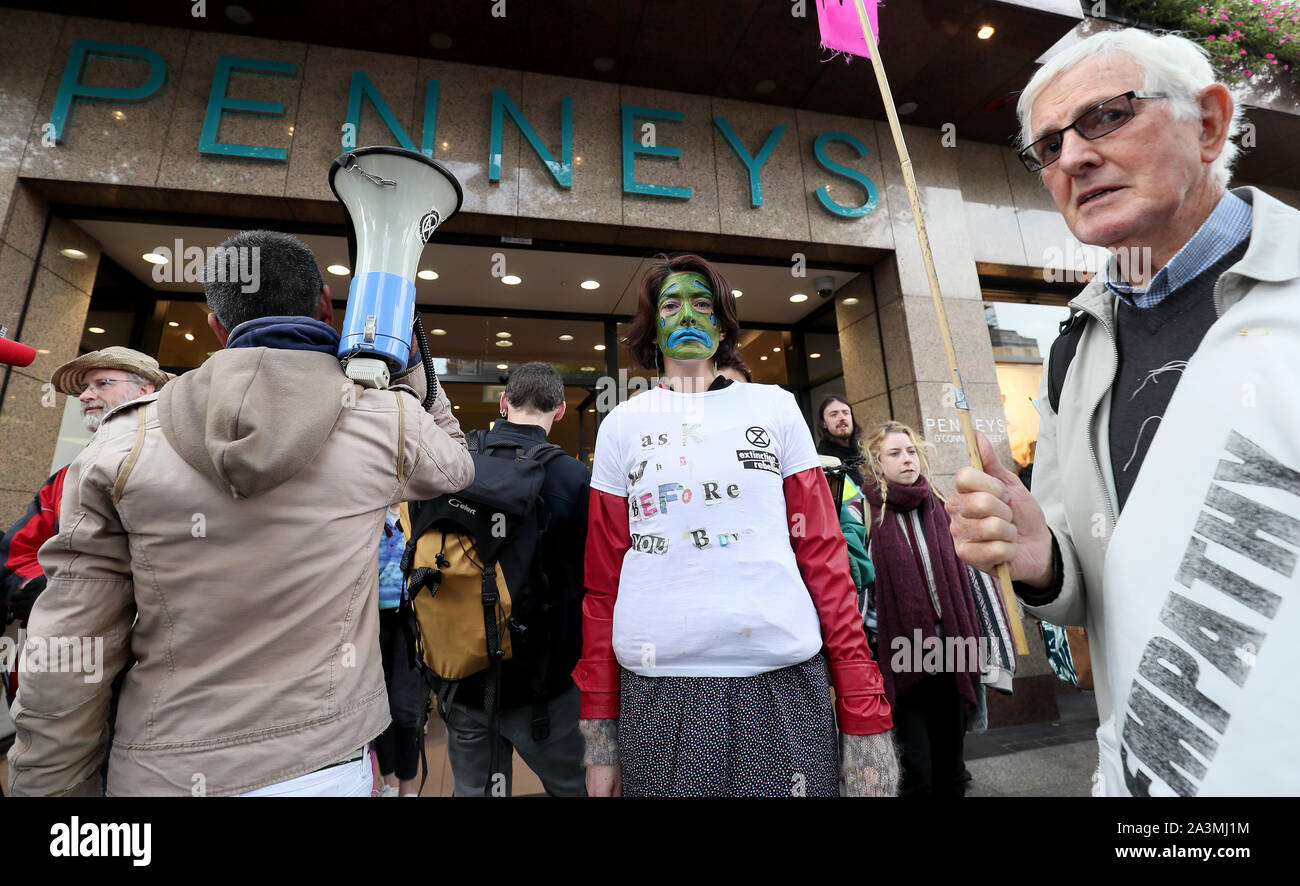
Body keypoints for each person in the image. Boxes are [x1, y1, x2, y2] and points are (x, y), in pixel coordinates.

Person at [946, 29, 1300, 796]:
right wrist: (1039, 557)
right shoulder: (1074, 349)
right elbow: (1090, 577)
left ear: (1209, 123)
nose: (1072, 157)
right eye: (1047, 145)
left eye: (1106, 116)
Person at [6, 230, 474, 796]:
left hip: (162, 771)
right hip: (325, 763)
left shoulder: (120, 443)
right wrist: (407, 367)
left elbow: (72, 642)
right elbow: (456, 469)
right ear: (326, 306)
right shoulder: (384, 418)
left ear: (216, 327)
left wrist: (52, 788)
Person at [575, 253, 898, 797]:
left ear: (722, 324)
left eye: (702, 304)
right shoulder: (621, 425)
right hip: (659, 696)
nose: (686, 316)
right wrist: (600, 735)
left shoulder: (775, 408)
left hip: (784, 687)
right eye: (670, 304)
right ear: (652, 325)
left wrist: (865, 715)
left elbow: (824, 558)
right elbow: (602, 585)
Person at [439, 361, 591, 797]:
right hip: (544, 688)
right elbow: (591, 581)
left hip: (462, 679)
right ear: (560, 410)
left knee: (475, 791)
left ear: (504, 403)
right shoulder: (573, 478)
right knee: (573, 788)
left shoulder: (458, 464)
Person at [1, 348, 171, 700]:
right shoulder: (63, 479)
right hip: (66, 661)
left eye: (102, 383)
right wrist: (37, 586)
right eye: (84, 387)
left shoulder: (180, 463)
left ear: (146, 390)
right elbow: (19, 550)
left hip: (156, 667)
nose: (87, 395)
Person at [862, 421, 980, 797]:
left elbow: (966, 576)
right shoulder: (864, 510)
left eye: (910, 451)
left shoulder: (938, 503)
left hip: (951, 645)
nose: (906, 459)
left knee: (952, 766)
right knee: (917, 772)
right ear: (878, 463)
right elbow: (860, 588)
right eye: (894, 453)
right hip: (901, 649)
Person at [373, 504, 423, 797]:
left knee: (406, 709)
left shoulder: (412, 513)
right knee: (380, 707)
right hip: (373, 625)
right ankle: (389, 784)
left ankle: (408, 789)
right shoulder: (369, 513)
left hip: (408, 621)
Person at [817, 395, 865, 490]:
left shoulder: (866, 453)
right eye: (834, 414)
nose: (842, 418)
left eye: (846, 413)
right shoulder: (821, 461)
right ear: (824, 423)